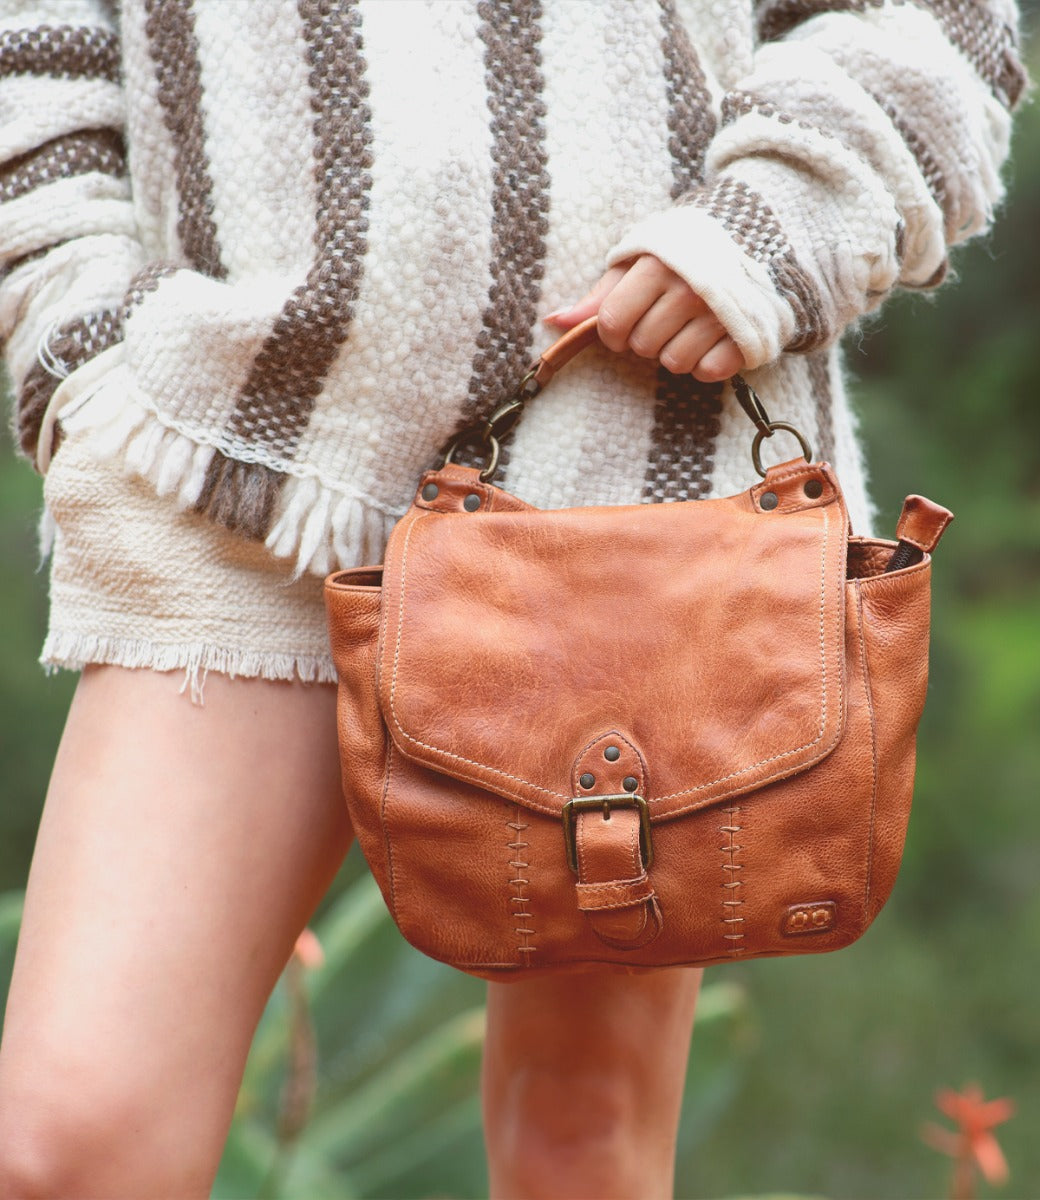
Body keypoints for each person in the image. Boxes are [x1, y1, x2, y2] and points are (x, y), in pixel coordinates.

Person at [0, 1, 1023, 1196]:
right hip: (221, 452)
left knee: (576, 1148)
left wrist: (776, 216)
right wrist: (75, 341)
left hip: (631, 466)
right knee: (65, 1146)